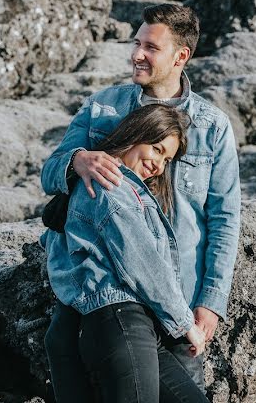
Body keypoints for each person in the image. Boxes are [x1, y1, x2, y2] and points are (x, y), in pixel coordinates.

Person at [41, 3, 241, 395]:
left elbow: (224, 218)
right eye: (137, 43)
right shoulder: (103, 107)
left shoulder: (213, 126)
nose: (137, 55)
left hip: (177, 299)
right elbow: (50, 174)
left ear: (180, 56)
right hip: (109, 299)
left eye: (151, 47)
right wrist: (77, 160)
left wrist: (211, 302)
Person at [41, 104, 209, 402]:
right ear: (136, 134)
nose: (159, 165)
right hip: (122, 321)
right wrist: (185, 325)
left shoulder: (111, 188)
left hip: (129, 327)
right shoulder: (110, 185)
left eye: (167, 159)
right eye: (156, 149)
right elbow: (142, 261)